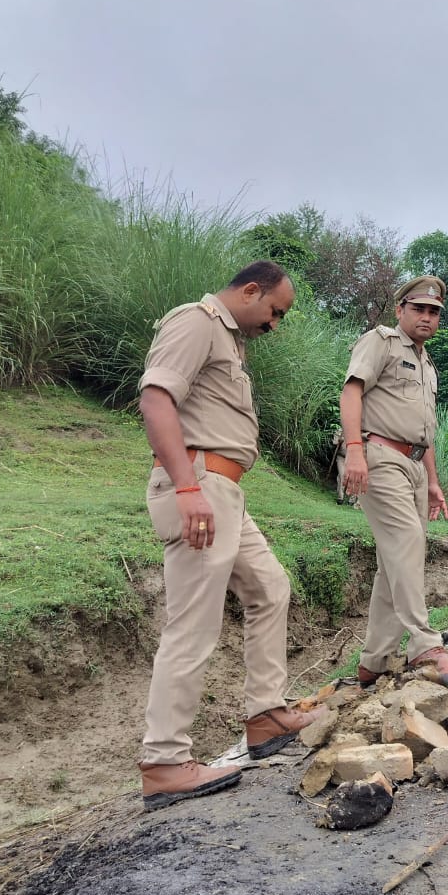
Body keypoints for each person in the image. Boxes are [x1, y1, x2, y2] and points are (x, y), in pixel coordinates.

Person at [137, 259, 321, 811]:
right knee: (192, 623)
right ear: (249, 291)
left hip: (226, 492)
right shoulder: (194, 322)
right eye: (274, 311)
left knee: (270, 587)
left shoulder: (228, 339)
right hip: (199, 486)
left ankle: (265, 715)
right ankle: (166, 761)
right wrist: (188, 487)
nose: (275, 324)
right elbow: (156, 399)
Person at [339, 275, 448, 689]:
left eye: (434, 311)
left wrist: (434, 483)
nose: (426, 317)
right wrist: (354, 450)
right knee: (406, 540)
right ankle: (424, 642)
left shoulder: (427, 364)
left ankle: (374, 660)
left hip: (416, 465)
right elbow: (350, 393)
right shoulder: (381, 342)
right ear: (400, 309)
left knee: (395, 562)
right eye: (418, 308)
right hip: (379, 456)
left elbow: (426, 431)